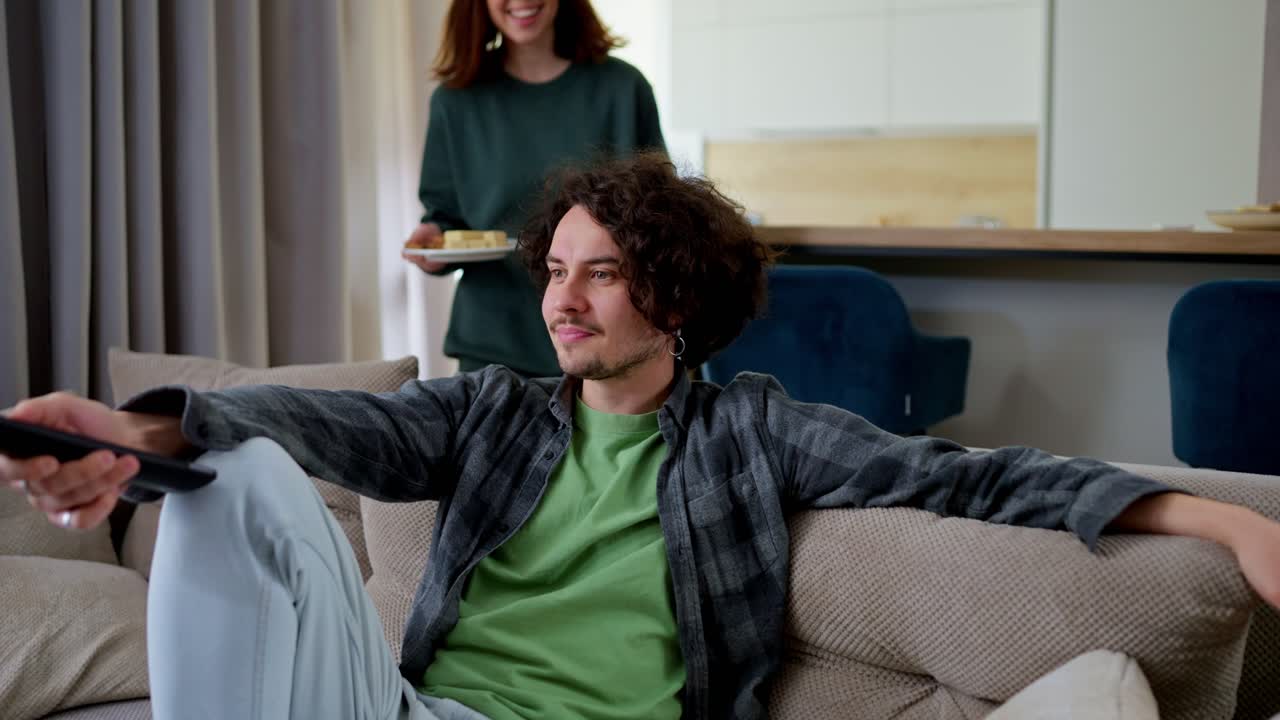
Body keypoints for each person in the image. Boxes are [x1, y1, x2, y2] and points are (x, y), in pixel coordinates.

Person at [4, 153, 1280, 720]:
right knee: (245, 468)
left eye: (597, 275)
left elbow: (975, 475)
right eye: (554, 269)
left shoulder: (752, 436)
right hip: (408, 713)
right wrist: (127, 434)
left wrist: (1225, 518)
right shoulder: (491, 411)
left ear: (669, 296)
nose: (557, 299)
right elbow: (329, 425)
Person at [401, 0, 665, 377]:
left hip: (607, 338)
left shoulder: (623, 88)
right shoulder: (455, 101)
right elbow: (444, 219)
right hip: (494, 344)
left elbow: (660, 216)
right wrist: (434, 241)